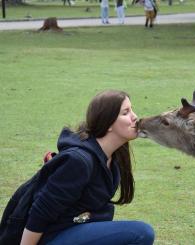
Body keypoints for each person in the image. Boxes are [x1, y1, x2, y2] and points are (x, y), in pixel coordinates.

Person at [20, 90, 155, 245]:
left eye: (131, 110)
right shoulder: (79, 161)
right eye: (126, 113)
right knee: (142, 233)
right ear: (108, 123)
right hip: (54, 236)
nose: (134, 117)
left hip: (77, 229)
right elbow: (41, 212)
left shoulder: (114, 155)